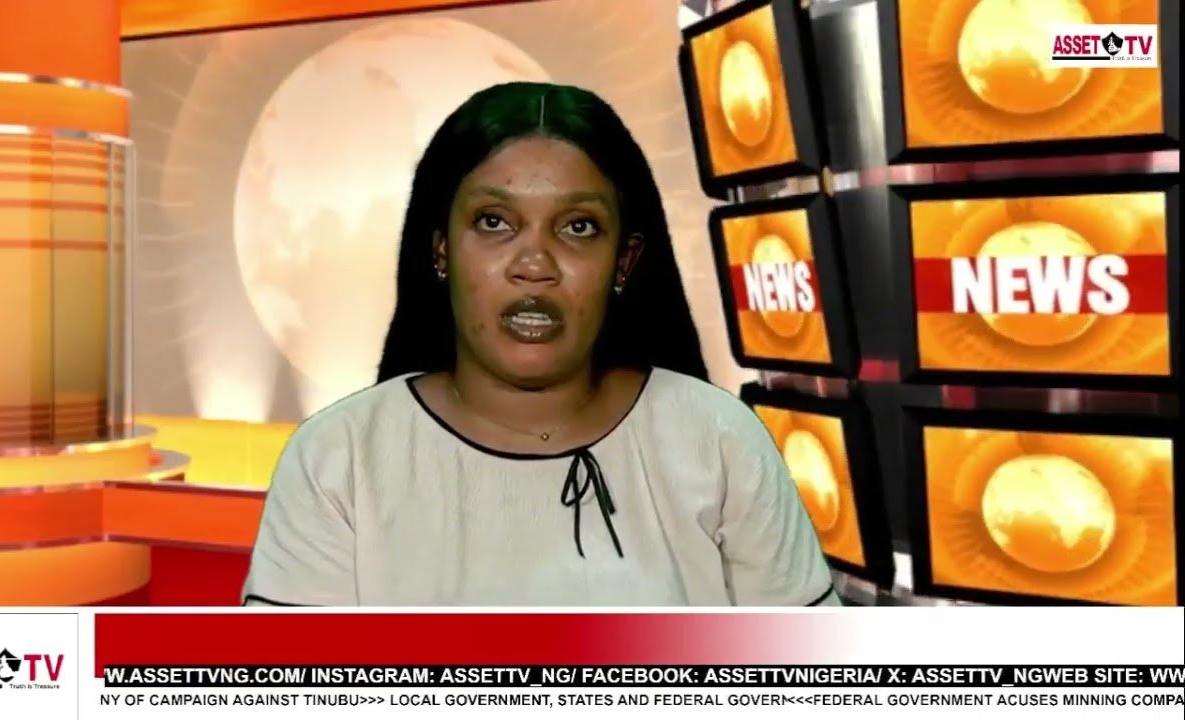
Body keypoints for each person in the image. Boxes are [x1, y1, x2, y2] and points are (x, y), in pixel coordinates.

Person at [243, 81, 839, 606]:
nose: (534, 264)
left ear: (624, 261)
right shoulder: (338, 459)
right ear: (441, 250)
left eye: (578, 227)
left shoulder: (720, 440)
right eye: (494, 222)